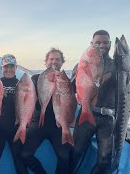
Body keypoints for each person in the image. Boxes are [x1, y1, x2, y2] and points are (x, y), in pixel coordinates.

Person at [70, 30, 115, 173]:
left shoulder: (117, 67)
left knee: (104, 160)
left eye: (105, 42)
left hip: (107, 119)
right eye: (98, 42)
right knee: (75, 152)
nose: (102, 45)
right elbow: (72, 89)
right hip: (86, 113)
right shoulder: (81, 65)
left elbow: (123, 93)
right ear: (92, 43)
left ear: (110, 44)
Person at [21, 48, 72, 174]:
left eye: (57, 59)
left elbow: (72, 103)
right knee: (24, 154)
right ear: (46, 62)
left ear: (62, 62)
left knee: (66, 157)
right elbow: (26, 99)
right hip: (38, 122)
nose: (54, 62)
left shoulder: (66, 81)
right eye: (51, 59)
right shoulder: (36, 78)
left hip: (58, 125)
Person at [0, 54, 28, 174]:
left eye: (11, 67)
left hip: (16, 127)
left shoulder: (22, 84)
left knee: (18, 158)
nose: (8, 70)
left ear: (16, 67)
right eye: (5, 67)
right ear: (1, 68)